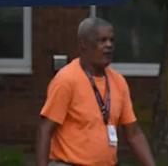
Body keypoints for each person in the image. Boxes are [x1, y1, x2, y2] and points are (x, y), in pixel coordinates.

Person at [36, 17, 156, 166]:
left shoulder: (118, 82)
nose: (109, 45)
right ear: (84, 44)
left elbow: (134, 134)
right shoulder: (67, 79)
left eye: (112, 40)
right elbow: (45, 129)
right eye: (102, 40)